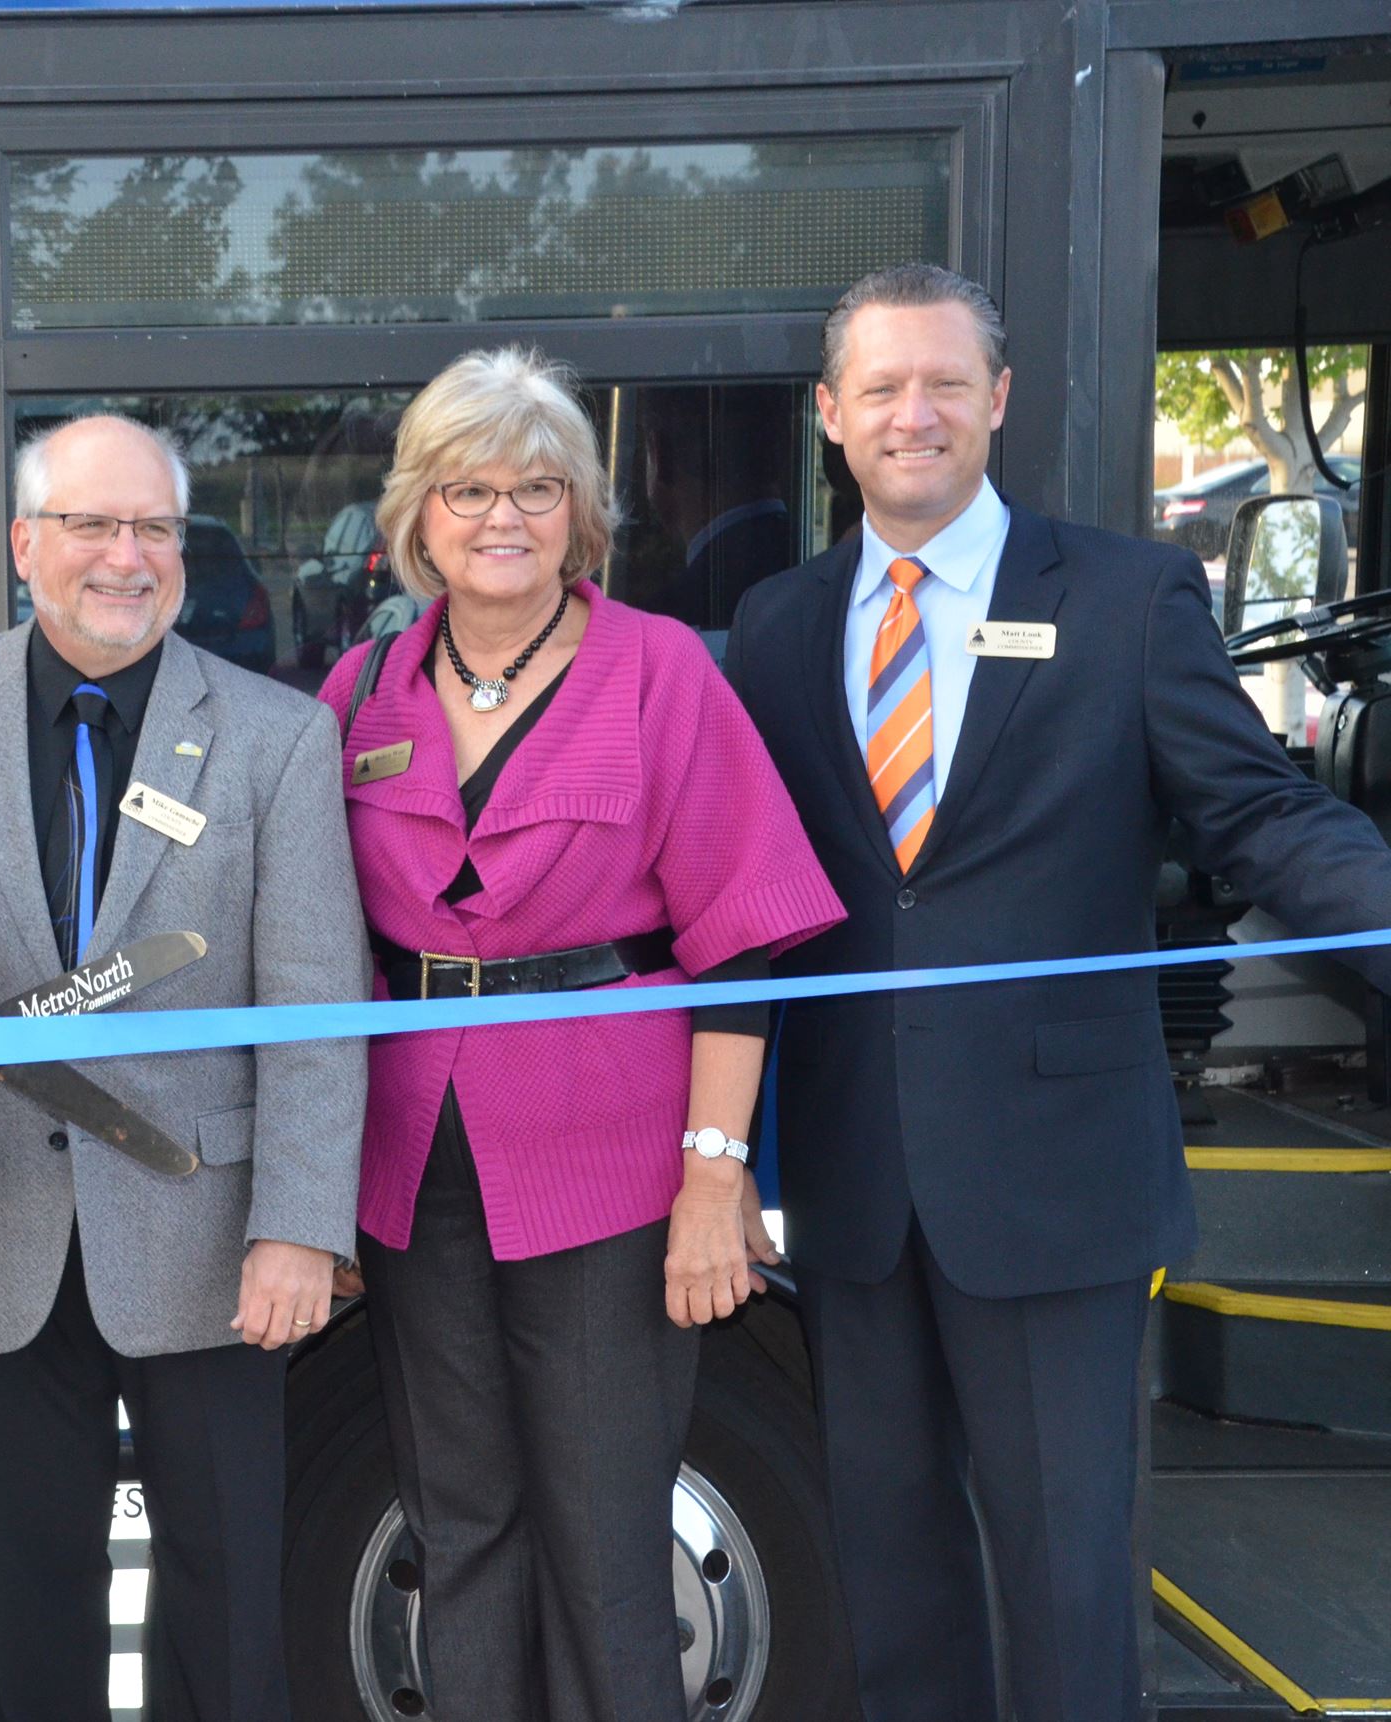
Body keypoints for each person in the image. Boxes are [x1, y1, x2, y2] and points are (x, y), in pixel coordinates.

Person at [722, 262, 1391, 1722]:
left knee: (1070, 1587)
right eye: (883, 388)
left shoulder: (1129, 594)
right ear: (833, 415)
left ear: (1000, 400)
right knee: (891, 1579)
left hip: (1057, 1182)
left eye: (947, 383)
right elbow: (738, 888)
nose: (918, 414)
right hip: (853, 1181)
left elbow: (1261, 815)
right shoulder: (775, 624)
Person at [0, 413, 365, 1722]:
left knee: (230, 1609)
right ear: (24, 544)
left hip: (212, 1242)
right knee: (28, 1604)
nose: (126, 557)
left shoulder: (277, 737)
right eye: (92, 526)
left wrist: (297, 1227)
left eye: (154, 530)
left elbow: (315, 1003)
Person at [318, 346, 843, 1719]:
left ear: (584, 514)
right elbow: (298, 935)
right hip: (409, 1165)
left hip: (609, 1169)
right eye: (469, 487)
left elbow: (744, 936)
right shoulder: (359, 692)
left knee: (609, 1540)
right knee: (461, 1526)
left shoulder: (661, 671)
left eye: (539, 488)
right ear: (417, 516)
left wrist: (713, 1181)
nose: (504, 517)